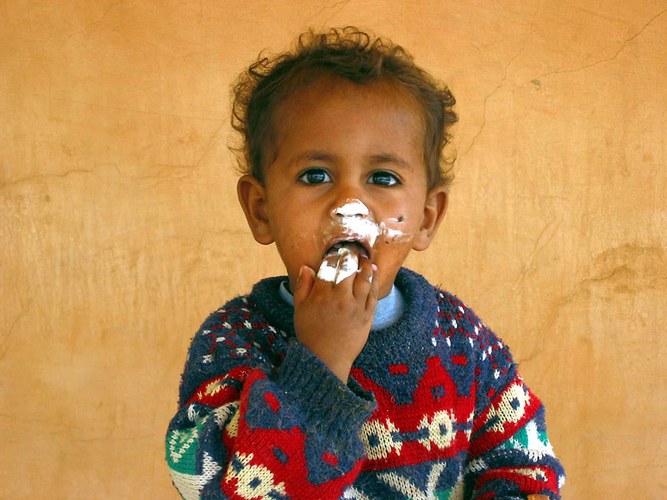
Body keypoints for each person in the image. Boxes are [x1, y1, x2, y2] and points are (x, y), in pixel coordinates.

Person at [165, 27, 565, 499]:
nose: (350, 202)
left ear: (426, 218)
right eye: (316, 175)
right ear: (261, 209)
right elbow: (213, 488)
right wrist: (321, 362)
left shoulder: (462, 339)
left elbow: (524, 467)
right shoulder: (233, 343)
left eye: (382, 177)